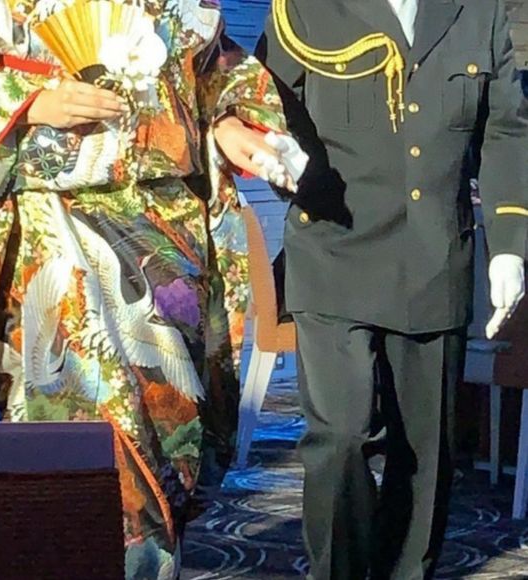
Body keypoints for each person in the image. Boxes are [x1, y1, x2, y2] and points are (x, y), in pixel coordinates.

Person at [0, 0, 305, 577]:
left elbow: (214, 65)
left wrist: (230, 121)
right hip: (52, 228)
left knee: (168, 428)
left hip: (167, 230)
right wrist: (29, 100)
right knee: (90, 426)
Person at [256, 0, 528, 578]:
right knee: (340, 436)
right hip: (334, 249)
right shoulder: (305, 7)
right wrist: (276, 156)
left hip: (432, 260)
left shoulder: (477, 12)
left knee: (425, 454)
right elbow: (262, 101)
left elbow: (506, 126)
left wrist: (509, 243)